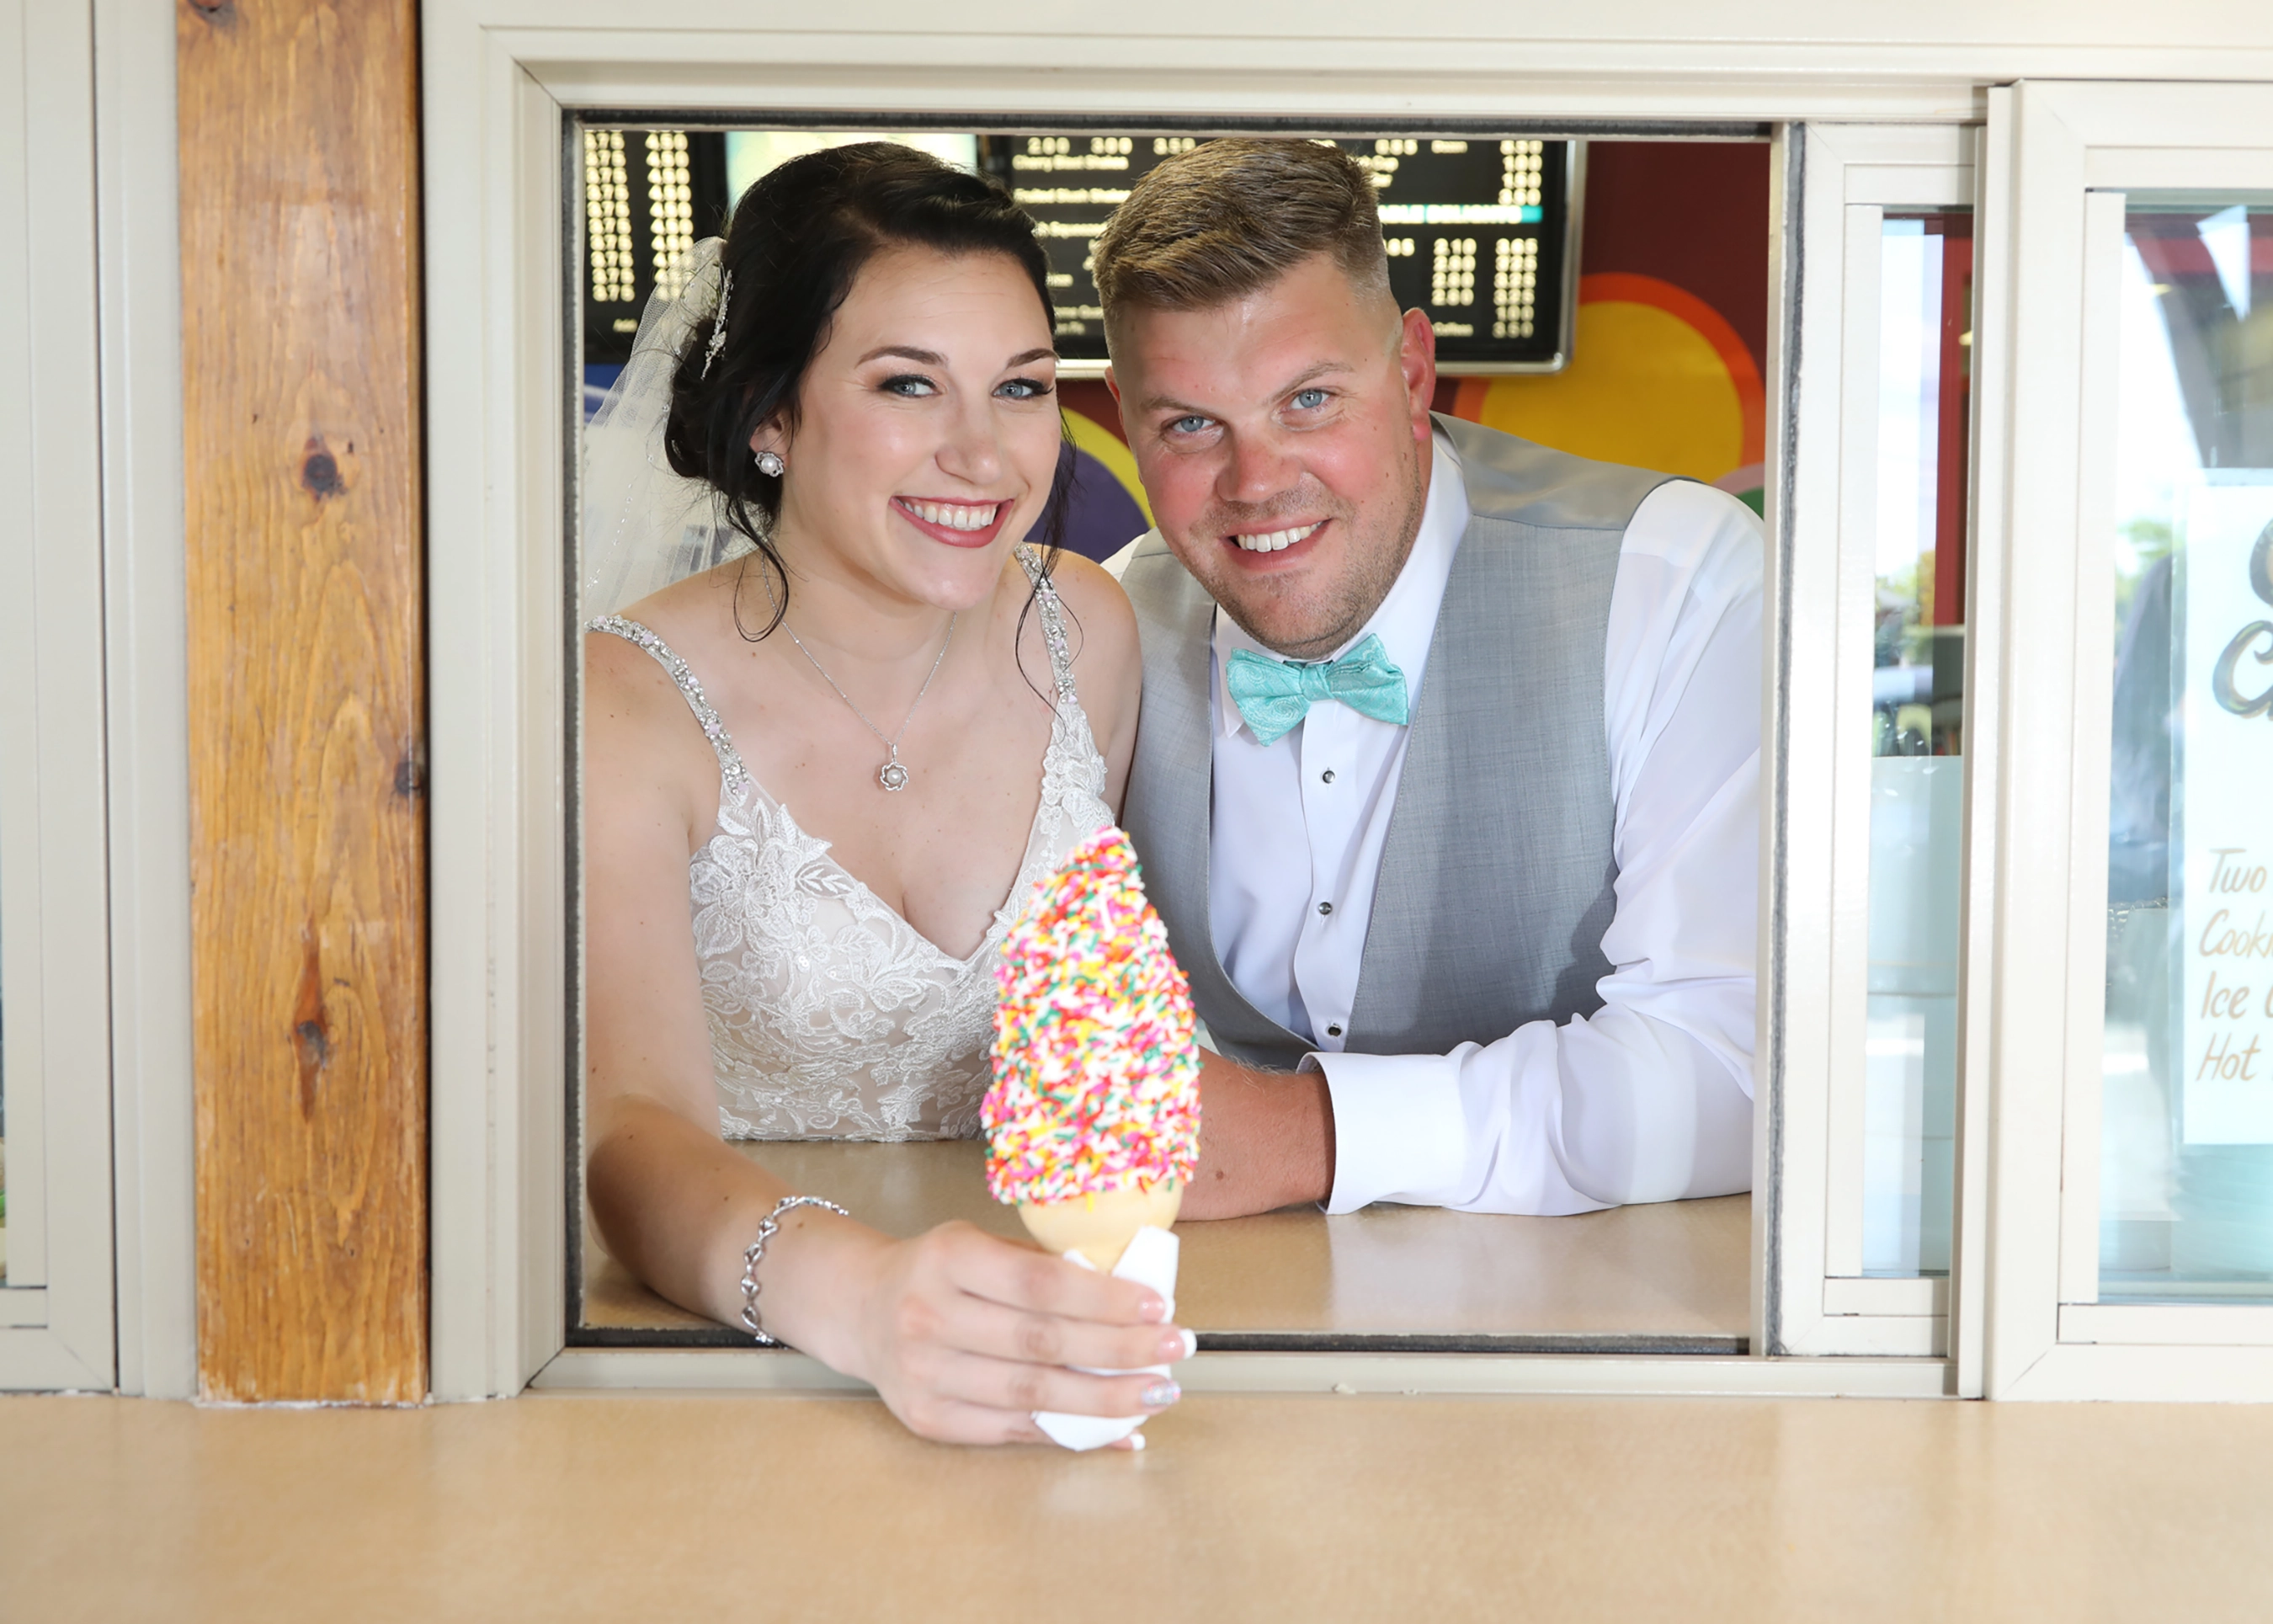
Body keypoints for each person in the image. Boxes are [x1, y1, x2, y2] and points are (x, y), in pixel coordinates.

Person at [580, 143, 1190, 1445]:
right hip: (740, 1359)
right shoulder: (626, 704)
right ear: (772, 417)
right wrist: (855, 1296)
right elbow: (629, 1134)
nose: (983, 453)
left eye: (1021, 388)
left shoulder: (1090, 629)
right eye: (909, 383)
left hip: (1059, 1340)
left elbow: (1101, 1027)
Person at [1095, 139, 1760, 1220]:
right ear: (1126, 415)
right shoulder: (1108, 624)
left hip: (1601, 1328)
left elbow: (1731, 1064)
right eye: (1190, 425)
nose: (1257, 485)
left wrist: (1304, 1138)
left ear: (1411, 374)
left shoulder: (1677, 580)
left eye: (1308, 400)